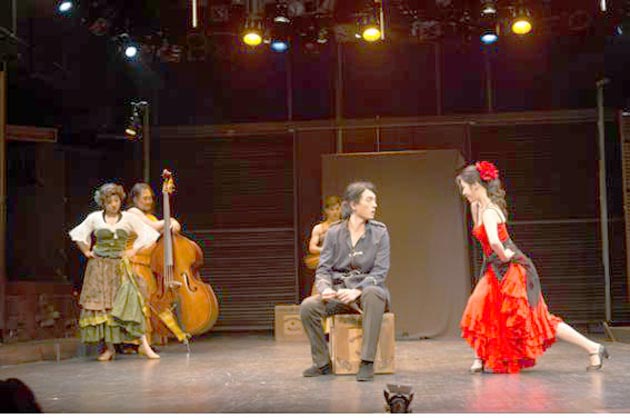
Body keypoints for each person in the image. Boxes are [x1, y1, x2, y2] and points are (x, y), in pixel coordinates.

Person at [457, 161, 610, 374]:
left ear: (475, 186)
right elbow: (486, 243)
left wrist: (503, 255)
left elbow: (494, 242)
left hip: (513, 270)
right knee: (482, 308)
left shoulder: (490, 211)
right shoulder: (477, 207)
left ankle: (593, 348)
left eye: (465, 187)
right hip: (494, 269)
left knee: (538, 318)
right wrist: (492, 263)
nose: (463, 192)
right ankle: (480, 357)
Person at [300, 181, 390, 382]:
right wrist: (325, 288)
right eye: (369, 200)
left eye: (375, 200)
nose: (375, 205)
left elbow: (380, 271)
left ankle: (367, 361)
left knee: (373, 292)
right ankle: (322, 363)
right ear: (354, 205)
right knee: (308, 307)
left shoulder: (380, 232)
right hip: (340, 294)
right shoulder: (334, 233)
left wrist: (358, 290)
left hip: (367, 295)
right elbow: (323, 269)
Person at [69, 183, 161, 360]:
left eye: (116, 200)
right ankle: (109, 348)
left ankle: (144, 346)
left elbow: (149, 234)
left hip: (120, 266)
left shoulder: (128, 218)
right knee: (106, 307)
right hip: (100, 268)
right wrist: (87, 251)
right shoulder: (95, 218)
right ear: (103, 203)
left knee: (132, 302)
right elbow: (78, 234)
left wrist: (133, 250)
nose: (113, 204)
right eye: (109, 201)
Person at [126, 182, 181, 346]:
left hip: (147, 264)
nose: (149, 201)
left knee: (148, 301)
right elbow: (155, 226)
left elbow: (172, 229)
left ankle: (145, 342)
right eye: (145, 198)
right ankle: (135, 342)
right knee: (139, 302)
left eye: (150, 198)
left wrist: (172, 223)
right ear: (135, 199)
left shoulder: (150, 217)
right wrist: (170, 220)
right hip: (134, 263)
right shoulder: (133, 212)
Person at [304, 195, 342, 296]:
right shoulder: (319, 228)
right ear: (327, 211)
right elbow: (312, 248)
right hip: (325, 265)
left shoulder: (347, 227)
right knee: (319, 293)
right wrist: (326, 250)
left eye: (337, 209)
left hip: (342, 265)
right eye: (332, 209)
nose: (335, 212)